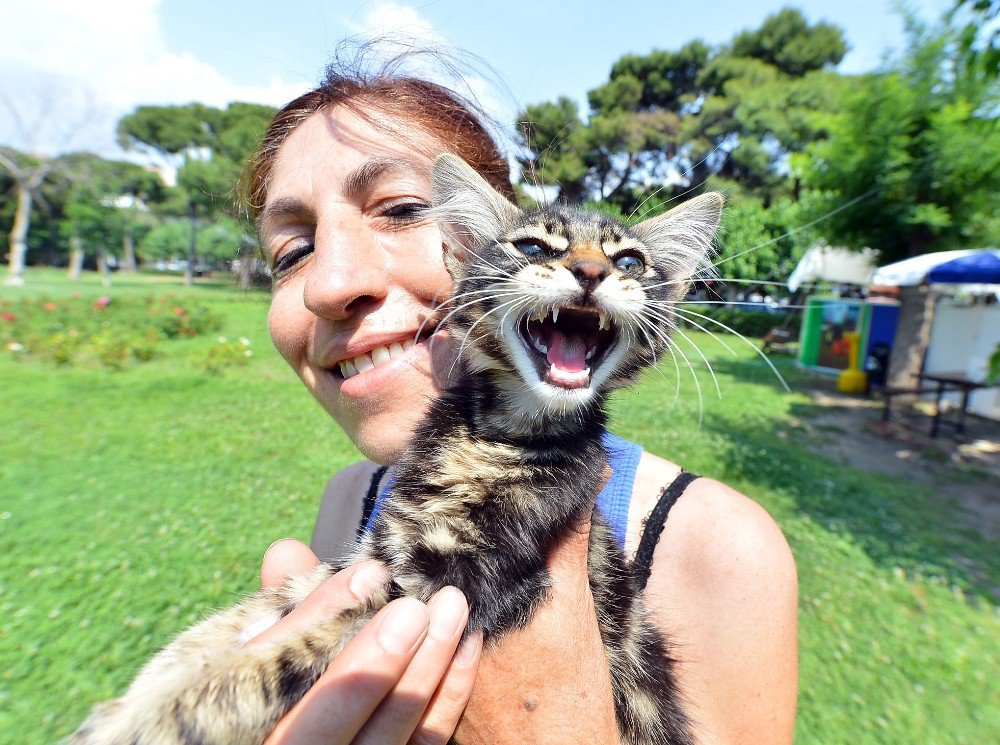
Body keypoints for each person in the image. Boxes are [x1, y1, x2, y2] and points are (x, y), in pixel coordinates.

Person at [242, 61, 798, 745]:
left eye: (404, 208)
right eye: (292, 249)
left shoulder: (721, 551)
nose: (329, 283)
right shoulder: (348, 499)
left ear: (468, 244)